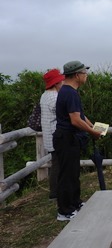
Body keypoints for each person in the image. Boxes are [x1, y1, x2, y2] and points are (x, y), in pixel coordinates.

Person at [53, 61, 102, 221]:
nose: (86, 76)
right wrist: (92, 132)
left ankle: (75, 203)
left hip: (70, 138)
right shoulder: (70, 93)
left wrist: (92, 126)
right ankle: (64, 211)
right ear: (76, 75)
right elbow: (75, 120)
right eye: (84, 73)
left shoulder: (69, 91)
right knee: (67, 174)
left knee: (73, 172)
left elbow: (79, 115)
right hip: (66, 138)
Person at [40, 69, 65, 201]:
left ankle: (55, 192)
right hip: (56, 136)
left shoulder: (44, 95)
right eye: (60, 80)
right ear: (56, 83)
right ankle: (55, 193)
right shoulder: (54, 97)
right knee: (58, 165)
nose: (62, 82)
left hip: (49, 136)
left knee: (56, 164)